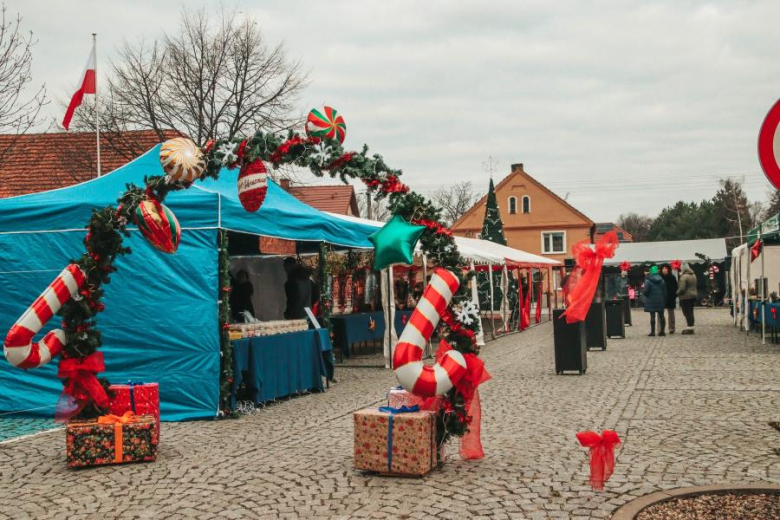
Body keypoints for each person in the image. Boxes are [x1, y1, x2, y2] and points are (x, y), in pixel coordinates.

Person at [642, 266, 666, 336]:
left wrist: (646, 296)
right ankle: (662, 331)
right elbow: (664, 292)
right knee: (661, 315)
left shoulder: (648, 280)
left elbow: (646, 291)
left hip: (651, 300)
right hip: (660, 299)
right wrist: (664, 299)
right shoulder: (662, 280)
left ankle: (652, 332)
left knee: (652, 316)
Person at [677, 263, 698, 334]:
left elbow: (682, 288)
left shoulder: (684, 277)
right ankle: (691, 327)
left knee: (686, 312)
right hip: (693, 295)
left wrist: (677, 293)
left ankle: (689, 327)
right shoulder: (693, 275)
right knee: (691, 312)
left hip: (686, 297)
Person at [660, 264, 678, 334]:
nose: (664, 270)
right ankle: (661, 329)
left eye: (666, 268)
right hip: (661, 298)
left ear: (668, 269)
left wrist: (674, 295)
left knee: (671, 314)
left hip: (670, 298)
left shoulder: (672, 277)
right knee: (660, 314)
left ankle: (672, 328)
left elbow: (676, 287)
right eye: (663, 268)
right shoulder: (659, 277)